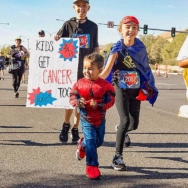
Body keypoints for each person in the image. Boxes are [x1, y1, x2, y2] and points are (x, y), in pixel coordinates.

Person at [100, 16, 158, 171]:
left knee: (134, 124)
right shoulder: (116, 49)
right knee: (125, 119)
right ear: (121, 30)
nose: (131, 30)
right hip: (120, 87)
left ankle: (121, 128)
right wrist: (90, 81)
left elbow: (145, 68)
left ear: (138, 31)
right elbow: (106, 72)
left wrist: (148, 85)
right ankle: (117, 157)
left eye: (134, 27)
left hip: (136, 89)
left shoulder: (141, 48)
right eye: (127, 27)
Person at [54, 0, 99, 143]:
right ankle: (65, 125)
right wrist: (55, 38)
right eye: (78, 6)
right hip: (70, 69)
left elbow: (95, 47)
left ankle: (75, 127)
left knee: (81, 102)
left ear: (88, 8)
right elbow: (57, 42)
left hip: (85, 71)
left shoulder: (93, 26)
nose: (81, 8)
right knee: (70, 101)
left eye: (84, 5)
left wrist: (98, 66)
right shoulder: (68, 24)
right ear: (74, 8)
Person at [69, 53, 115, 179]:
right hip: (86, 118)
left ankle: (82, 144)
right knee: (91, 141)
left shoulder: (105, 85)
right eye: (85, 68)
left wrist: (100, 105)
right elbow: (72, 96)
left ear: (99, 70)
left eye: (90, 68)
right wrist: (78, 102)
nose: (86, 71)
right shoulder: (79, 84)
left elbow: (111, 99)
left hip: (100, 119)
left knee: (98, 142)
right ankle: (92, 166)